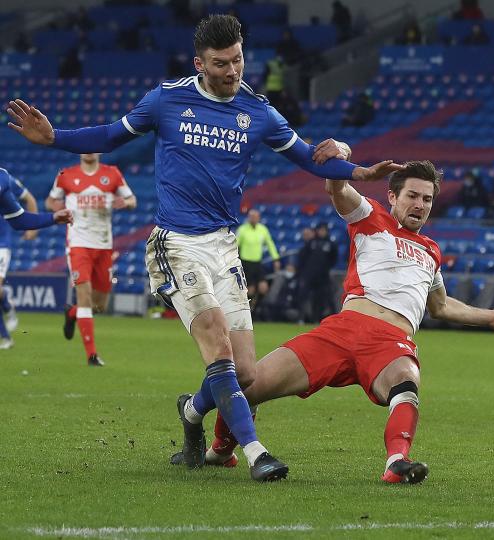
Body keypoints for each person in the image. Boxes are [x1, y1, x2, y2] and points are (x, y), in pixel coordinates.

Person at [6, 13, 399, 482]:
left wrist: (359, 172)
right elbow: (110, 136)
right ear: (200, 63)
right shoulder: (166, 100)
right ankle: (256, 453)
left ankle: (192, 411)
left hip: (223, 248)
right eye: (220, 63)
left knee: (246, 373)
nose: (232, 71)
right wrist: (54, 138)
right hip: (175, 243)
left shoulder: (258, 112)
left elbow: (309, 159)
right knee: (218, 345)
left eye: (237, 60)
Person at [190, 160, 494, 484]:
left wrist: (490, 316)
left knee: (405, 383)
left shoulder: (431, 251)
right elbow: (337, 189)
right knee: (249, 384)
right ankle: (220, 449)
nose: (420, 205)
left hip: (390, 343)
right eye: (412, 195)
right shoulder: (370, 216)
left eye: (427, 199)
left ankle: (397, 462)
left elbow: (440, 305)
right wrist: (343, 161)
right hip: (342, 330)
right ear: (392, 196)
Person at [47, 153, 136, 366]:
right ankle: (92, 355)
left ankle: (72, 312)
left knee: (100, 305)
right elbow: (50, 200)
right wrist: (57, 208)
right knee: (84, 296)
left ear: (99, 151)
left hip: (103, 245)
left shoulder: (112, 173)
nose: (89, 151)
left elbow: (133, 200)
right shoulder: (65, 174)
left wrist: (124, 202)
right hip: (78, 244)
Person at [0, 175, 41, 349]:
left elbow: (29, 199)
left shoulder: (4, 178)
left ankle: (6, 335)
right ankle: (6, 307)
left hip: (1, 244)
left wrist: (32, 228)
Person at [236, 208, 281, 317]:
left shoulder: (263, 229)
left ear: (259, 218)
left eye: (255, 217)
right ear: (248, 218)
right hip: (246, 263)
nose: (253, 219)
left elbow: (270, 244)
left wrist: (276, 259)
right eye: (251, 217)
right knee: (250, 290)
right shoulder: (242, 230)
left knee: (263, 288)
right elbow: (236, 245)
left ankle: (255, 309)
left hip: (258, 263)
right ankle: (247, 313)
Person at [296, 223, 337, 323]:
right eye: (320, 230)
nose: (321, 232)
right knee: (303, 296)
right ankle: (301, 317)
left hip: (323, 276)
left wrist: (326, 268)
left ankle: (317, 318)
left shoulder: (331, 244)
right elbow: (303, 257)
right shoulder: (312, 242)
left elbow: (334, 258)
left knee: (320, 298)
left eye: (323, 230)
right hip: (309, 275)